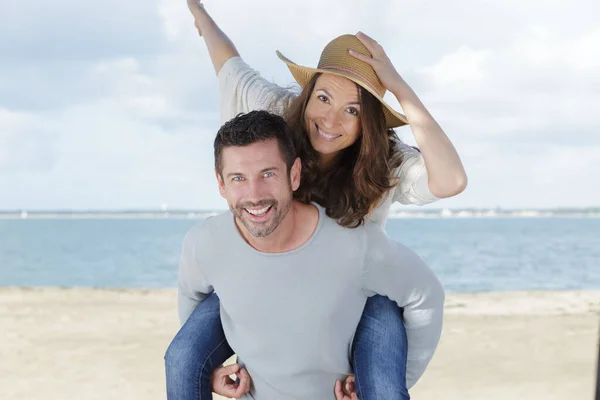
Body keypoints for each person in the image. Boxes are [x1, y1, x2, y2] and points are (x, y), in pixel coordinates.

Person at [165, 1, 468, 399]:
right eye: (323, 98)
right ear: (307, 95)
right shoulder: (274, 110)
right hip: (266, 272)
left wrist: (397, 85)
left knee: (383, 385)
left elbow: (451, 180)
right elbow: (228, 62)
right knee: (184, 355)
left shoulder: (384, 161)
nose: (330, 121)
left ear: (368, 120)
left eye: (352, 110)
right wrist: (200, 14)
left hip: (355, 287)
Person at [168, 110, 445, 400]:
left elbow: (425, 294)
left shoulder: (353, 245)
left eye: (268, 174)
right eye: (238, 178)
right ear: (221, 184)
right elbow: (192, 304)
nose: (254, 194)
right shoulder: (204, 244)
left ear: (294, 174)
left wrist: (396, 382)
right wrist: (207, 366)